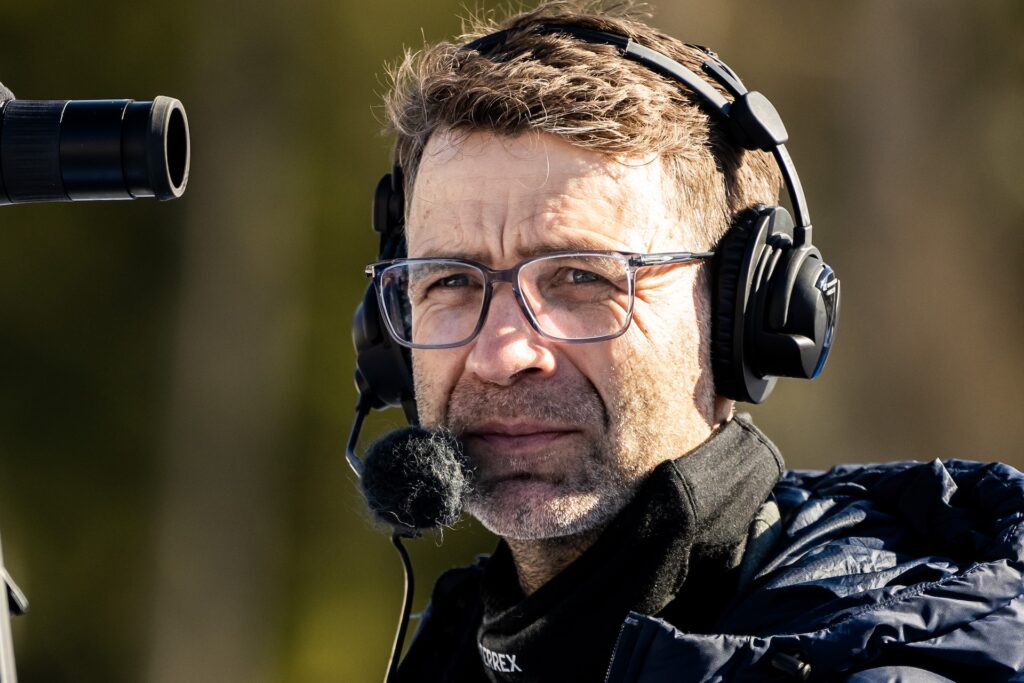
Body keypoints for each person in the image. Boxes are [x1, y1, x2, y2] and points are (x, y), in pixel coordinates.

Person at [353, 2, 1024, 681]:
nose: (502, 354)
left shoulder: (908, 661)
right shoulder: (450, 655)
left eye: (582, 277)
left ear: (744, 315)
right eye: (450, 281)